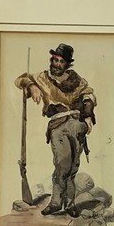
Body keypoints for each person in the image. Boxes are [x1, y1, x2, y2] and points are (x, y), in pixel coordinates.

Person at [15, 43, 97, 217]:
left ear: (67, 64)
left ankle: (70, 204)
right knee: (62, 165)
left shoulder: (76, 80)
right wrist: (32, 86)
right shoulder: (42, 78)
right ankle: (56, 203)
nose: (57, 64)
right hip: (58, 125)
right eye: (55, 60)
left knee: (73, 167)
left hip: (78, 124)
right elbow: (20, 79)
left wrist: (88, 115)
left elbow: (89, 94)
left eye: (61, 61)